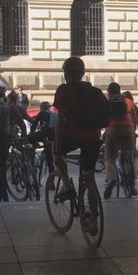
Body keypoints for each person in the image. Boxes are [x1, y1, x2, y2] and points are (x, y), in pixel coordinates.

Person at [52, 57, 109, 219]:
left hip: (72, 136)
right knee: (89, 178)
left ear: (66, 73)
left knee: (55, 153)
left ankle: (67, 185)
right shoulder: (95, 92)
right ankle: (93, 220)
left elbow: (61, 121)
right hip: (93, 138)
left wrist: (57, 144)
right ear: (82, 73)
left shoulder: (63, 90)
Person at [0, 83, 27, 202]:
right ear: (4, 94)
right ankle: (2, 194)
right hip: (4, 141)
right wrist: (22, 135)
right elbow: (21, 124)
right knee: (2, 166)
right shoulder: (10, 107)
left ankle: (1, 194)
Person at [104, 82, 138, 198]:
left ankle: (112, 179)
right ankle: (132, 185)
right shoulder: (127, 101)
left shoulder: (107, 102)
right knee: (130, 156)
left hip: (113, 129)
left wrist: (105, 131)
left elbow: (104, 118)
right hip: (128, 129)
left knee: (109, 158)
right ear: (120, 90)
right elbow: (134, 117)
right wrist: (133, 130)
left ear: (109, 92)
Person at [28, 101, 57, 173]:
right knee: (49, 159)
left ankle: (33, 153)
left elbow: (34, 126)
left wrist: (32, 133)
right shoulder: (52, 115)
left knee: (28, 138)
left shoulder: (41, 113)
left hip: (43, 134)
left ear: (41, 108)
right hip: (51, 137)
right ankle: (51, 178)